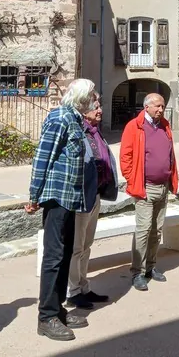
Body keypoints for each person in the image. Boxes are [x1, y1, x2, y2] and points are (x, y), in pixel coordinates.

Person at [28, 78, 98, 341]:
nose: (94, 99)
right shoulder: (60, 118)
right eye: (92, 95)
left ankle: (57, 310)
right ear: (82, 97)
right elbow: (42, 157)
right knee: (54, 257)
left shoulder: (75, 118)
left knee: (65, 254)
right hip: (57, 197)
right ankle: (46, 317)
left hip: (71, 198)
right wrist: (34, 195)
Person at [120, 93, 179, 292]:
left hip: (163, 187)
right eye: (157, 106)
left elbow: (169, 153)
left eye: (162, 106)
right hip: (145, 188)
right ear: (146, 107)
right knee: (143, 231)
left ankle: (151, 267)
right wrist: (133, 179)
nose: (161, 110)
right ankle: (137, 271)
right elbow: (125, 157)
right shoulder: (134, 127)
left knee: (157, 230)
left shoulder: (165, 125)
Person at [67, 95, 118, 309]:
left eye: (100, 107)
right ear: (84, 110)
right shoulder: (79, 132)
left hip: (96, 194)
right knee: (76, 247)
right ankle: (72, 291)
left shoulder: (96, 132)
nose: (100, 111)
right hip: (81, 197)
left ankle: (84, 286)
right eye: (95, 107)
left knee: (86, 246)